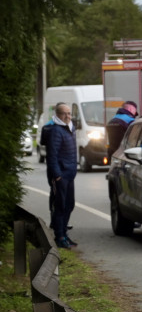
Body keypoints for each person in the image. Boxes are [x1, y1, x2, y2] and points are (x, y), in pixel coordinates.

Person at [46, 102, 79, 249]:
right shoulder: (56, 131)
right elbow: (52, 155)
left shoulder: (70, 128)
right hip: (61, 175)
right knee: (60, 206)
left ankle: (64, 234)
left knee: (69, 205)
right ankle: (59, 236)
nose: (68, 116)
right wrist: (57, 175)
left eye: (69, 113)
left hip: (70, 174)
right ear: (58, 115)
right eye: (64, 113)